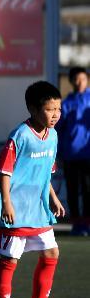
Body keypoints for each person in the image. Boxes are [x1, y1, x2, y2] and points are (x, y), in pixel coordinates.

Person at [0, 80, 67, 298]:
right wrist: (6, 202)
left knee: (51, 254)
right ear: (32, 108)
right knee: (9, 260)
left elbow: (45, 173)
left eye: (58, 110)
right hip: (15, 208)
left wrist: (53, 197)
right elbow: (4, 172)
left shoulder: (53, 136)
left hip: (37, 207)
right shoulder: (20, 135)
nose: (55, 115)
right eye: (49, 109)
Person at [56, 66, 90, 236]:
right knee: (73, 191)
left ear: (87, 80)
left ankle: (87, 224)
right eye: (76, 79)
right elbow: (59, 131)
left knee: (88, 191)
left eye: (82, 79)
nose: (79, 82)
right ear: (71, 81)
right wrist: (58, 153)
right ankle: (77, 225)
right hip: (70, 155)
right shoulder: (66, 103)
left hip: (88, 155)